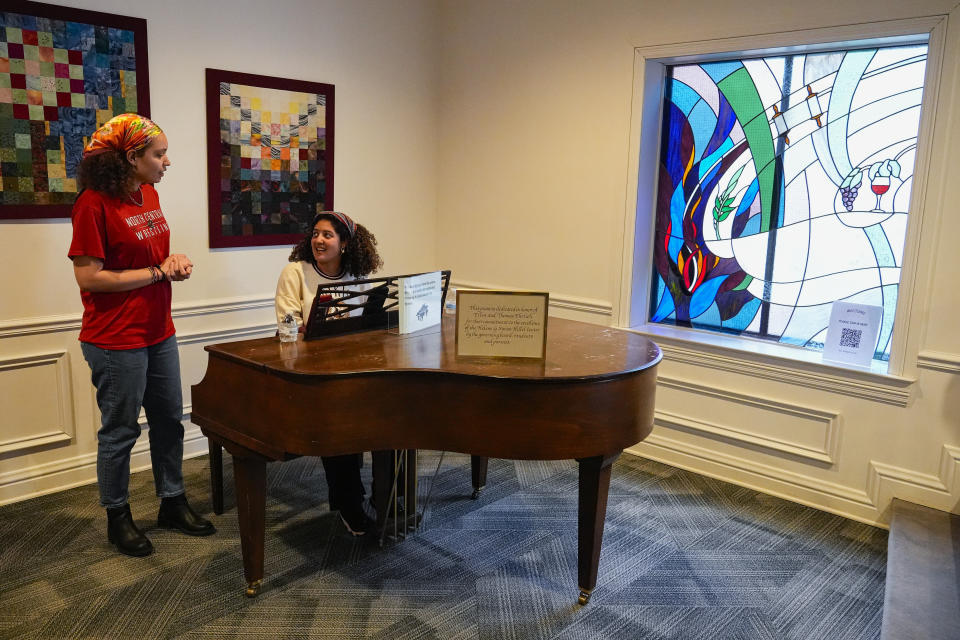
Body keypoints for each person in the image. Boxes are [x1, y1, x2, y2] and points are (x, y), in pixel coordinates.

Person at [69, 113, 216, 557]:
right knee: (120, 431)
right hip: (115, 339)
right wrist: (156, 272)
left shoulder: (148, 193)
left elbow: (149, 258)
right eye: (159, 154)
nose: (166, 162)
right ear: (131, 157)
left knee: (170, 421)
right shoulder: (93, 204)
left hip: (158, 330)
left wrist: (174, 263)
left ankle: (172, 501)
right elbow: (89, 278)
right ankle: (118, 517)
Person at [275, 211, 383, 535]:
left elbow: (367, 326)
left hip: (351, 367)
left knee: (390, 416)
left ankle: (387, 494)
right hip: (310, 373)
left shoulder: (357, 276)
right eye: (316, 234)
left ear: (345, 243)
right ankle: (349, 504)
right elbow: (287, 325)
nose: (319, 241)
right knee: (339, 427)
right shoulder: (295, 272)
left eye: (328, 235)